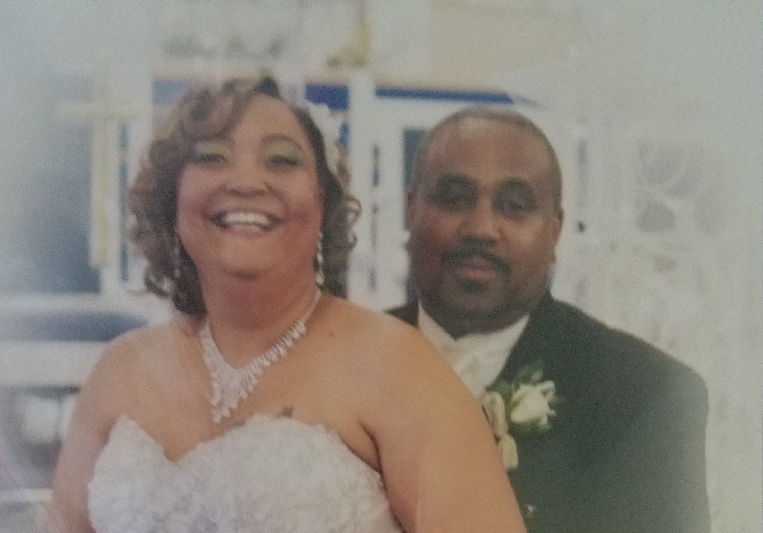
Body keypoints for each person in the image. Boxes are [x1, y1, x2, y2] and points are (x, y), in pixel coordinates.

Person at [46, 78, 526, 533]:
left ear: (321, 203)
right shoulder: (120, 371)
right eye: (212, 157)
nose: (246, 180)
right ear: (174, 201)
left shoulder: (397, 365)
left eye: (281, 160)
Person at [389, 106, 710, 533]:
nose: (481, 228)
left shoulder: (647, 394)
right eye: (454, 199)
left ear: (555, 232)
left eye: (514, 206)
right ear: (411, 208)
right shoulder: (345, 361)